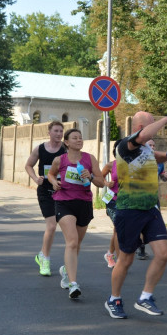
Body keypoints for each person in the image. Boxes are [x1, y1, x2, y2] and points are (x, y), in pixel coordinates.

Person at [104, 112, 167, 319]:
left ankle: (145, 297)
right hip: (129, 209)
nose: (156, 124)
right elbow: (142, 138)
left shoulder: (145, 148)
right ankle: (114, 299)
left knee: (163, 254)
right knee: (126, 260)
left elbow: (154, 155)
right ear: (140, 126)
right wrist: (165, 120)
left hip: (150, 208)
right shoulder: (125, 145)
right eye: (152, 122)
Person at [48, 127, 105, 299]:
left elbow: (102, 183)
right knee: (72, 242)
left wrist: (91, 177)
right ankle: (73, 284)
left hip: (84, 203)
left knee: (77, 244)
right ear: (66, 142)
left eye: (80, 138)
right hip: (64, 202)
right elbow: (51, 175)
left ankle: (66, 269)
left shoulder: (90, 158)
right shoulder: (60, 160)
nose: (79, 140)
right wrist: (54, 183)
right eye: (75, 138)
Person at [24, 121, 66, 276]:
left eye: (61, 131)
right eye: (56, 130)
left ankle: (42, 254)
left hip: (62, 191)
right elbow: (28, 165)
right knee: (52, 226)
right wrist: (35, 178)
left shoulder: (65, 149)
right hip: (45, 191)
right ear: (49, 132)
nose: (59, 133)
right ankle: (45, 260)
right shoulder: (40, 149)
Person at [100, 156, 120, 267]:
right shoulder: (111, 165)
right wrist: (107, 183)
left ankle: (110, 254)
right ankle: (120, 260)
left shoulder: (133, 165)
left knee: (117, 231)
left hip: (128, 201)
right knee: (118, 229)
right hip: (113, 200)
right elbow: (100, 177)